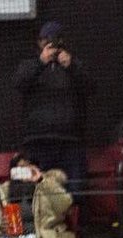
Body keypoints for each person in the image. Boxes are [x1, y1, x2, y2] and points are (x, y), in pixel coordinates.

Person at [12, 21, 93, 191]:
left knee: (76, 192)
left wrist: (71, 66)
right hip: (38, 141)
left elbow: (90, 87)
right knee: (38, 191)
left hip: (70, 141)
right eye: (45, 41)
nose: (50, 45)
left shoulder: (73, 65)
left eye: (55, 41)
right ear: (39, 43)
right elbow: (19, 83)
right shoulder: (30, 65)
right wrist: (41, 62)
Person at [0, 152, 76, 238]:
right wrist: (1, 226)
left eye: (27, 167)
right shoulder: (6, 190)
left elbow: (65, 204)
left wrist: (41, 180)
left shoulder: (48, 184)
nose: (23, 171)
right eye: (19, 168)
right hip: (16, 237)